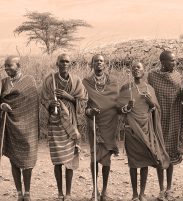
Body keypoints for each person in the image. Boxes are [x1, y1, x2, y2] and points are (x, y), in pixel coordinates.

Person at [118, 61, 170, 201]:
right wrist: (127, 108)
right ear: (131, 70)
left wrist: (151, 103)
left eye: (139, 67)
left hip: (146, 129)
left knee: (145, 162)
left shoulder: (150, 89)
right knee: (134, 163)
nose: (136, 69)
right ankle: (134, 194)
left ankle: (142, 194)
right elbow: (118, 109)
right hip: (131, 129)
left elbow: (156, 109)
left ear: (143, 70)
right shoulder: (125, 88)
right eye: (133, 67)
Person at [41, 53, 88, 201]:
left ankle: (68, 193)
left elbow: (83, 100)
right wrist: (50, 104)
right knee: (57, 159)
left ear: (70, 64)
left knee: (70, 158)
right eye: (62, 61)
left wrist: (69, 97)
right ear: (57, 63)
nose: (65, 64)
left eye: (67, 61)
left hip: (71, 122)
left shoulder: (76, 81)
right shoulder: (50, 80)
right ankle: (59, 192)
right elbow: (43, 99)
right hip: (55, 123)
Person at [0, 56, 39, 201]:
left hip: (28, 125)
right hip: (9, 124)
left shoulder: (29, 81)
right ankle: (19, 193)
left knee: (28, 159)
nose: (7, 68)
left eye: (10, 65)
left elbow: (33, 102)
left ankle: (27, 192)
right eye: (5, 66)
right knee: (14, 159)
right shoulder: (3, 82)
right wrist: (2, 105)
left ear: (18, 65)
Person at [148, 50, 183, 201]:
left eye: (175, 60)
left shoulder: (178, 76)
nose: (174, 63)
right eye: (171, 61)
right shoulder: (153, 76)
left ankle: (169, 188)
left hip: (174, 117)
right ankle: (161, 189)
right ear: (162, 62)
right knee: (159, 154)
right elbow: (149, 93)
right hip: (158, 117)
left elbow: (182, 96)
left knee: (170, 153)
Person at [83, 54, 119, 201]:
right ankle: (94, 190)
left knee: (107, 158)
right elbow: (83, 105)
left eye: (101, 61)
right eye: (96, 61)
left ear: (105, 64)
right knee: (94, 157)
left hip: (109, 123)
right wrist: (89, 111)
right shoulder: (86, 82)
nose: (99, 63)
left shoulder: (113, 82)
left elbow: (117, 102)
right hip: (94, 123)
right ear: (92, 64)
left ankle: (104, 191)